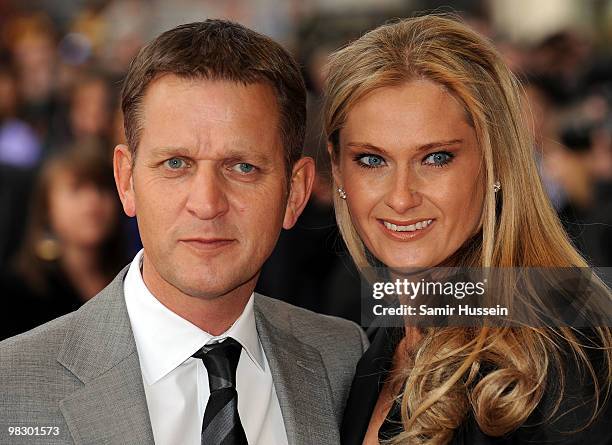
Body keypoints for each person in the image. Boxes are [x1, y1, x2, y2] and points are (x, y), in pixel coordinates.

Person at [0, 20, 367, 445]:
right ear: (126, 181)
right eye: (176, 164)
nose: (207, 203)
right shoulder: (11, 389)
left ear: (295, 192)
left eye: (242, 167)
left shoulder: (344, 360)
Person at [322, 15, 612, 444]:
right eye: (372, 160)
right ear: (338, 170)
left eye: (436, 158)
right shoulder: (368, 349)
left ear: (496, 163)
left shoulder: (565, 348)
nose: (401, 197)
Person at [0, 145, 126, 340]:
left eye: (102, 188)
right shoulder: (19, 292)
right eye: (76, 189)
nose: (92, 201)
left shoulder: (133, 279)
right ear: (47, 208)